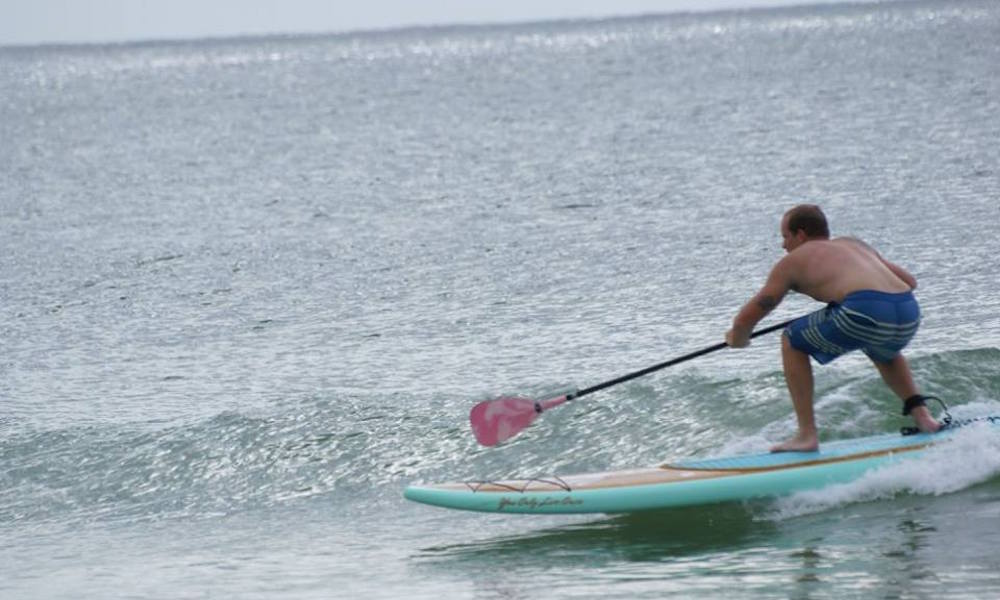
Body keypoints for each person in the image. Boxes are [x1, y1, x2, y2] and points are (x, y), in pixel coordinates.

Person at [725, 204, 941, 452]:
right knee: (882, 350)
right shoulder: (854, 244)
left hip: (865, 311)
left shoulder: (793, 261)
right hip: (907, 311)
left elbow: (754, 313)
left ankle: (806, 435)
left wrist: (738, 338)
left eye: (785, 237)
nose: (783, 246)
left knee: (792, 339)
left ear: (801, 234)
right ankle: (924, 417)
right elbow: (909, 282)